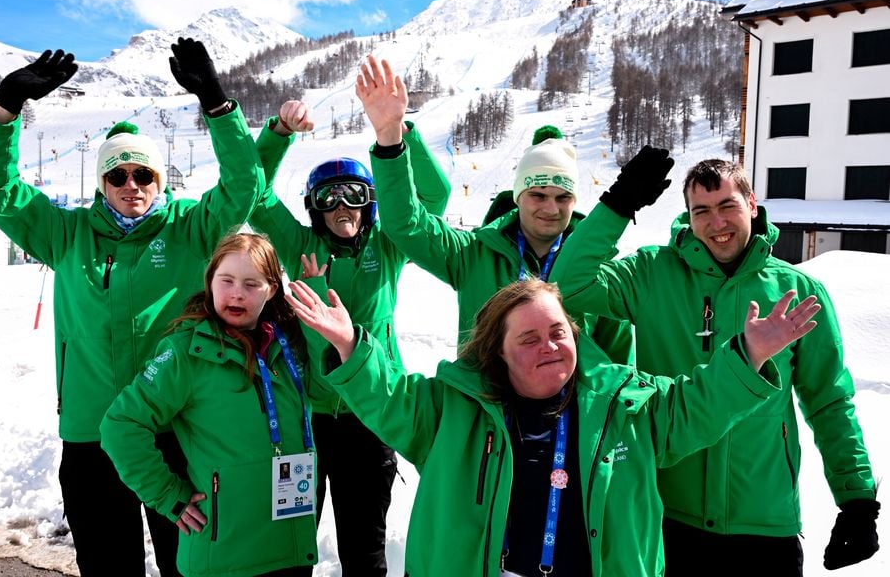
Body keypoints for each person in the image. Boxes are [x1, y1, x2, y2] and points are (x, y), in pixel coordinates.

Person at [285, 275, 820, 576]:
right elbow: (389, 397)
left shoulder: (626, 403)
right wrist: (351, 346)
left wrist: (748, 353)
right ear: (498, 351)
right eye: (529, 338)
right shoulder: (450, 410)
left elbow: (696, 406)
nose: (550, 347)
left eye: (558, 331)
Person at [0, 40, 265, 575]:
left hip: (177, 429)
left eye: (144, 174)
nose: (132, 185)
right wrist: (4, 109)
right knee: (107, 566)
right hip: (91, 433)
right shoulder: (67, 233)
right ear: (101, 182)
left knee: (189, 565)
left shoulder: (189, 228)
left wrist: (217, 104)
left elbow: (244, 186)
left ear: (158, 178)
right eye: (119, 175)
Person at [549, 156, 879, 575]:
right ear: (687, 217)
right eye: (701, 211)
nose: (716, 222)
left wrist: (857, 501)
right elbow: (568, 286)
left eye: (727, 205)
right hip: (668, 514)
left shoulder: (797, 291)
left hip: (763, 521)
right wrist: (619, 204)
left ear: (752, 205)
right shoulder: (652, 272)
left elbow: (829, 401)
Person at [249, 94, 451, 576]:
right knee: (291, 548)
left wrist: (401, 132)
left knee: (365, 553)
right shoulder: (298, 244)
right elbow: (254, 194)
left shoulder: (389, 245)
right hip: (306, 421)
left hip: (371, 415)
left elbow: (435, 197)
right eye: (328, 196)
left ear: (371, 203)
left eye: (355, 194)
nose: (342, 205)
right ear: (314, 208)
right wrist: (277, 134)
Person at [355, 55, 637, 360]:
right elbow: (405, 224)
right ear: (517, 196)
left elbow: (620, 369)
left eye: (562, 198)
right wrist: (390, 138)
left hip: (569, 408)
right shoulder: (473, 254)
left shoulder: (598, 271)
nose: (551, 209)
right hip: (484, 406)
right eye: (538, 195)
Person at [101, 233, 320, 577]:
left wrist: (314, 307)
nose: (236, 293)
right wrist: (167, 495)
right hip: (221, 554)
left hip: (289, 545)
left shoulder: (288, 347)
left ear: (272, 290)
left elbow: (326, 386)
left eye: (252, 284)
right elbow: (120, 424)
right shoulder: (184, 353)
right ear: (210, 281)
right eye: (227, 280)